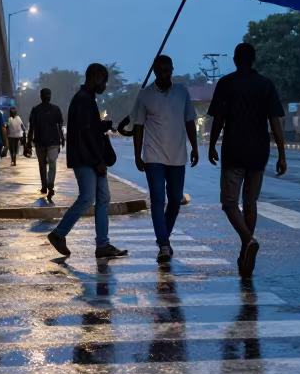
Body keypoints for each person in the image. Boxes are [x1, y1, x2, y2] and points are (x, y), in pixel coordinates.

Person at [208, 42, 287, 277]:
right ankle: (246, 250)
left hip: (234, 151)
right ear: (254, 60)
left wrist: (212, 145)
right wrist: (282, 154)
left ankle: (248, 240)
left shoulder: (226, 83)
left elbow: (218, 119)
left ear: (234, 60)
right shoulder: (266, 85)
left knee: (229, 203)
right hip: (259, 152)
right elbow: (275, 121)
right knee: (250, 203)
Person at [47, 63, 128, 261]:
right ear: (95, 78)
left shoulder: (86, 99)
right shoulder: (83, 100)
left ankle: (103, 244)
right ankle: (59, 233)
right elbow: (86, 135)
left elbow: (90, 129)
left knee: (102, 198)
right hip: (86, 159)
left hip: (89, 158)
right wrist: (98, 161)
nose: (105, 85)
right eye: (104, 80)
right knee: (87, 198)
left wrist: (102, 126)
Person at [131, 54, 198, 263]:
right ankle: (164, 244)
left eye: (169, 69)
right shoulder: (145, 96)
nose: (166, 73)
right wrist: (137, 155)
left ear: (172, 69)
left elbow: (189, 122)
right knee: (158, 200)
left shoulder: (182, 92)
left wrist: (195, 147)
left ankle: (163, 237)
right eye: (161, 70)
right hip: (153, 156)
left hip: (178, 156)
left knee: (175, 200)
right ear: (154, 71)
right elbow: (138, 127)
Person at [30, 87, 65, 202]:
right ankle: (44, 184)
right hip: (40, 142)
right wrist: (28, 142)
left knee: (52, 164)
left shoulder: (56, 109)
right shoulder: (35, 110)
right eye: (45, 94)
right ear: (41, 96)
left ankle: (50, 185)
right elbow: (31, 127)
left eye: (49, 94)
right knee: (42, 165)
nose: (47, 96)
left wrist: (62, 137)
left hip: (53, 142)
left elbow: (60, 125)